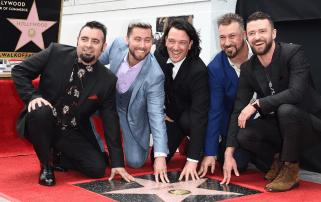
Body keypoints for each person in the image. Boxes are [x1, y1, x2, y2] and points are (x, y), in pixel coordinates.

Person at [11, 21, 134, 186]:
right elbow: (19, 71)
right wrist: (32, 97)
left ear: (103, 47)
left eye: (95, 41)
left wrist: (118, 162)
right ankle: (46, 165)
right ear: (78, 40)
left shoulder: (108, 80)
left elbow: (110, 120)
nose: (88, 45)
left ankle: (59, 157)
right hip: (41, 121)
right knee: (41, 110)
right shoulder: (55, 52)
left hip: (70, 129)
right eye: (85, 39)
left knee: (97, 169)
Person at [221, 12, 321, 192]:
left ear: (273, 33)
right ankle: (279, 161)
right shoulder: (249, 68)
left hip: (311, 124)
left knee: (286, 109)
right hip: (280, 125)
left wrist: (257, 104)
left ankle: (290, 170)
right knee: (244, 135)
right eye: (252, 33)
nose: (257, 37)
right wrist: (229, 152)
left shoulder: (294, 52)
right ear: (246, 37)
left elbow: (295, 94)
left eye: (262, 31)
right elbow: (238, 109)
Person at [91, 21, 169, 183]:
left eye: (147, 40)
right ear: (127, 39)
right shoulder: (117, 45)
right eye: (137, 39)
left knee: (135, 163)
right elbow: (96, 61)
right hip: (108, 103)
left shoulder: (155, 75)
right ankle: (99, 150)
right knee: (80, 104)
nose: (142, 45)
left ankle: (139, 139)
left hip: (131, 115)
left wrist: (160, 155)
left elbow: (156, 114)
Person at [198, 13, 270, 178]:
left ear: (244, 35)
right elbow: (215, 111)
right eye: (222, 37)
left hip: (264, 121)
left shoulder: (262, 53)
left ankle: (257, 151)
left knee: (271, 166)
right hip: (234, 126)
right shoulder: (215, 68)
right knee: (239, 166)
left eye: (232, 36)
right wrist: (210, 152)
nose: (227, 43)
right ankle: (243, 151)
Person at [154, 19, 210, 181]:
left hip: (191, 118)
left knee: (188, 120)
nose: (175, 48)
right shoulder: (158, 56)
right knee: (156, 159)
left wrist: (192, 161)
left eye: (182, 43)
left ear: (190, 44)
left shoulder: (198, 70)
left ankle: (195, 146)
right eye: (171, 41)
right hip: (171, 117)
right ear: (165, 40)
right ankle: (183, 141)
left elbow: (200, 115)